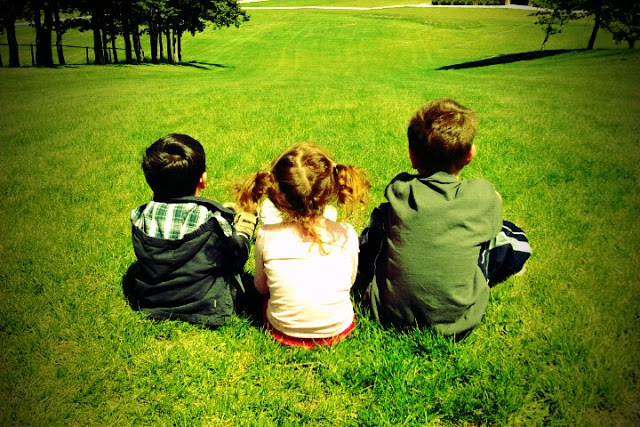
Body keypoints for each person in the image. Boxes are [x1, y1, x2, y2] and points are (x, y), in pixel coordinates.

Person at [355, 99, 531, 340]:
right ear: (470, 155)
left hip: (385, 313)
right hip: (457, 324)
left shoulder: (400, 190)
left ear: (412, 156)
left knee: (383, 218)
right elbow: (494, 207)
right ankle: (514, 264)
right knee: (506, 235)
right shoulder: (482, 195)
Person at [236, 143, 370, 347]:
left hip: (282, 331)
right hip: (338, 328)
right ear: (330, 189)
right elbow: (350, 282)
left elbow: (261, 288)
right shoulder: (346, 233)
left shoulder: (267, 235)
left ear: (278, 194)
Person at [128, 133, 257, 327]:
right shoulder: (211, 220)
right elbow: (236, 258)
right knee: (237, 242)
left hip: (151, 304)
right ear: (203, 179)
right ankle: (245, 225)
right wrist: (243, 233)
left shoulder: (140, 216)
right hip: (207, 307)